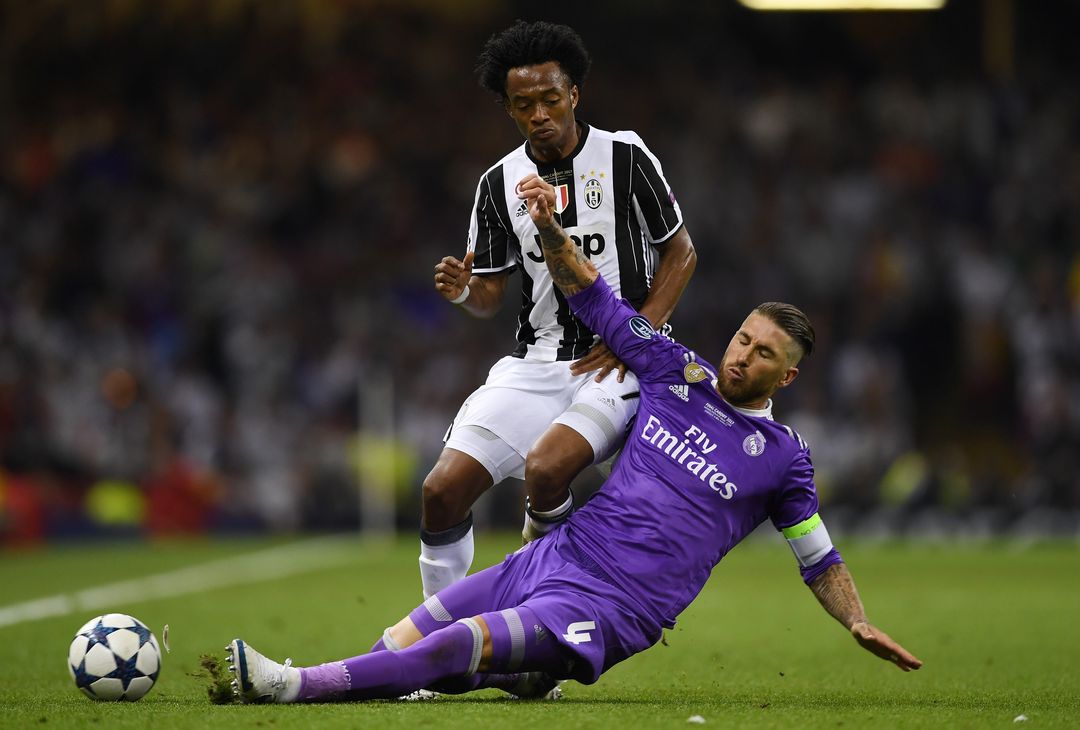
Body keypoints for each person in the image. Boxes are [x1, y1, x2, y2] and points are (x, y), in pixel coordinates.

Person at [224, 174, 921, 705]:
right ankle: (525, 677)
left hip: (616, 604)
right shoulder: (674, 370)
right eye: (743, 338)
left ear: (788, 375)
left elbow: (818, 559)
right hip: (555, 556)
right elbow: (595, 297)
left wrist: (856, 621)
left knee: (461, 646)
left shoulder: (783, 460)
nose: (742, 355)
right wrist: (551, 230)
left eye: (764, 354)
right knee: (405, 639)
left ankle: (290, 684)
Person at [420, 19, 697, 599]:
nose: (540, 113)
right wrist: (466, 291)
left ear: (574, 94)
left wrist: (638, 334)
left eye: (551, 98)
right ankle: (435, 642)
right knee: (440, 491)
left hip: (615, 362)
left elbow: (680, 252)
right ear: (510, 110)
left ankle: (540, 606)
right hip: (537, 361)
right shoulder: (498, 183)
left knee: (547, 470)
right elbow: (492, 294)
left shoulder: (625, 156)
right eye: (525, 104)